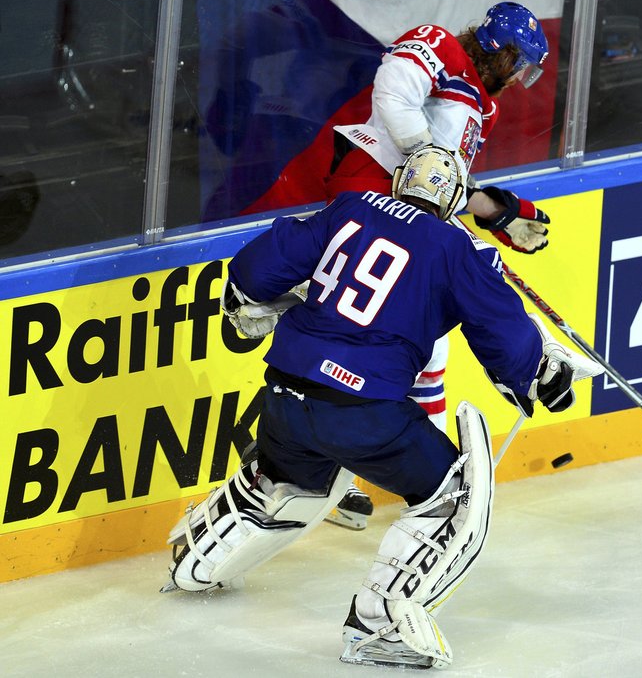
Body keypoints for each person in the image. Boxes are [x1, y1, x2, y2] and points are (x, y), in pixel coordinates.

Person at [161, 146, 594, 669]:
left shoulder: (350, 207)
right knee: (452, 494)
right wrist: (536, 375)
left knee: (286, 478)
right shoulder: (459, 248)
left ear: (399, 183)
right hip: (362, 412)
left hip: (283, 394)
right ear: (454, 198)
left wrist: (244, 302)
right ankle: (381, 625)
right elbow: (501, 332)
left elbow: (260, 264)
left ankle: (200, 557)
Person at [323, 1, 554, 530]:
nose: (521, 80)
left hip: (403, 221)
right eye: (522, 65)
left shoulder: (483, 109)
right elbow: (393, 94)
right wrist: (425, 156)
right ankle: (325, 469)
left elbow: (441, 184)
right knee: (355, 346)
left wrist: (499, 212)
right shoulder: (441, 46)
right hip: (364, 202)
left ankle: (420, 481)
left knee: (422, 346)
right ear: (499, 47)